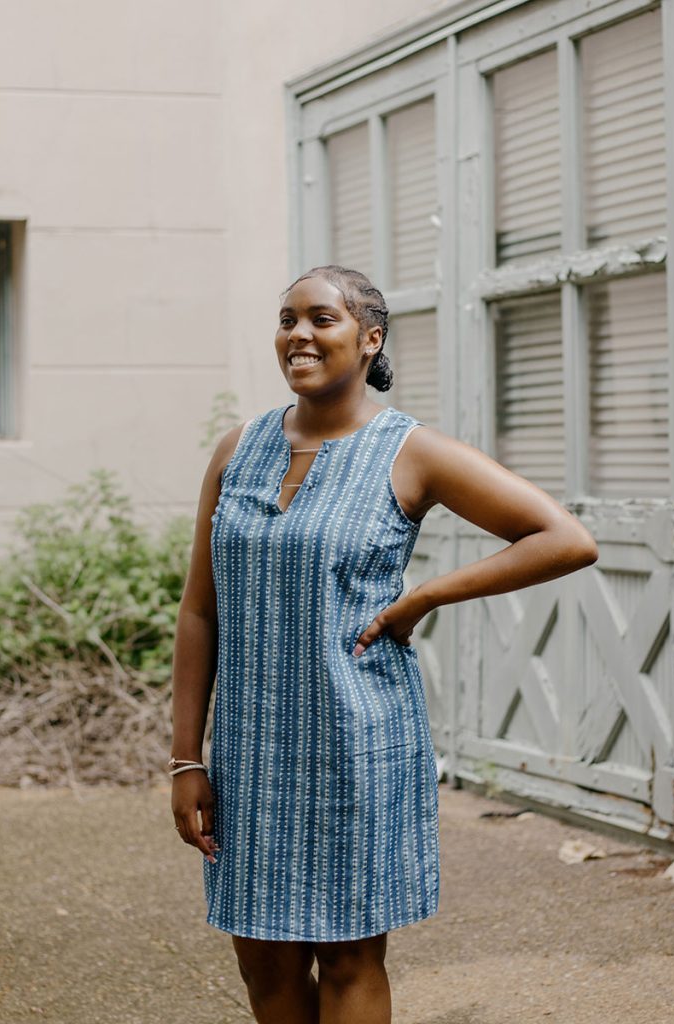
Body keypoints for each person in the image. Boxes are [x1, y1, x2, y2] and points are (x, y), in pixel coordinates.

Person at [169, 264, 598, 1024]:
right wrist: (185, 758)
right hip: (249, 748)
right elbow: (200, 611)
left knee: (347, 954)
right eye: (286, 318)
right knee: (260, 954)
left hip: (356, 742)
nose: (298, 334)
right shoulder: (237, 449)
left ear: (369, 339)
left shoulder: (410, 451)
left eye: (320, 319)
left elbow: (561, 538)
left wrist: (425, 596)